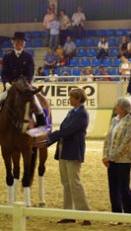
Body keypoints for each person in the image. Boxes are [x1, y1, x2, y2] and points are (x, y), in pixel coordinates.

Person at [36, 88, 91, 226]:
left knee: (75, 183)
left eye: (71, 97)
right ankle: (68, 213)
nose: (69, 99)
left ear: (78, 99)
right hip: (64, 150)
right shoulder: (72, 112)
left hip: (73, 151)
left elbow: (67, 131)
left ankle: (85, 214)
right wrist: (49, 141)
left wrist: (49, 139)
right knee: (66, 183)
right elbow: (64, 131)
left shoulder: (82, 114)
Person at [103, 97, 131, 215]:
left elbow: (126, 144)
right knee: (113, 188)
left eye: (117, 105)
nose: (115, 107)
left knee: (124, 188)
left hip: (123, 161)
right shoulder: (114, 120)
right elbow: (108, 138)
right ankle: (116, 214)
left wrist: (111, 156)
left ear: (123, 108)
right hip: (111, 160)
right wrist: (105, 155)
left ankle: (130, 214)